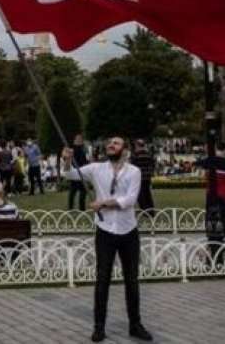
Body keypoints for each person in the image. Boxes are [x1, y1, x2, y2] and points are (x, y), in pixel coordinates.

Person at [79, 137, 152, 343]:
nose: (111, 145)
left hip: (128, 231)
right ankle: (99, 327)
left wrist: (102, 203)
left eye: (116, 143)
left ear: (125, 150)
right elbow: (71, 173)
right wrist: (66, 160)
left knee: (132, 280)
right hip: (105, 231)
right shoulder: (96, 168)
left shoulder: (134, 172)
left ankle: (135, 325)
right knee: (102, 280)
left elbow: (129, 200)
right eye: (110, 143)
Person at [195, 141, 225, 242]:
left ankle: (210, 233)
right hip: (224, 193)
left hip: (211, 192)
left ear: (216, 149)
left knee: (210, 213)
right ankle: (224, 234)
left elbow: (201, 175)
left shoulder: (209, 160)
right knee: (224, 214)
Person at [63, 134, 89, 211]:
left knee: (83, 191)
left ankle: (82, 208)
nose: (79, 140)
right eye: (78, 139)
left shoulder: (84, 149)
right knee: (73, 191)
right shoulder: (72, 148)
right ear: (75, 140)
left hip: (82, 171)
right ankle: (70, 208)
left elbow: (86, 159)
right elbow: (65, 157)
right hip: (74, 171)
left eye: (80, 139)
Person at [130, 139, 155, 213]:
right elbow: (153, 164)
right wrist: (150, 172)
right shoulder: (148, 154)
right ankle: (151, 210)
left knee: (140, 194)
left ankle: (144, 209)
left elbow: (132, 166)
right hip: (147, 177)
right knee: (147, 193)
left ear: (137, 145)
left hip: (139, 177)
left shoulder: (135, 155)